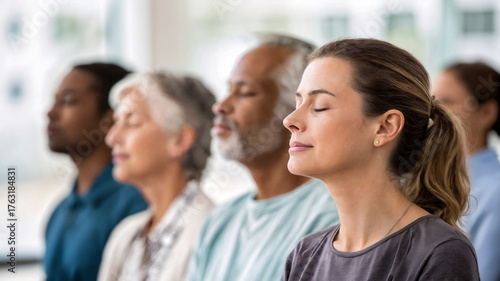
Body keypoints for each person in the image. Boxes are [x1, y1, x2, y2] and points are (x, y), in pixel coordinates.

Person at [281, 38, 480, 280]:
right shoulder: (305, 254)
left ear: (385, 127)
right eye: (298, 102)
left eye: (320, 106)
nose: (290, 120)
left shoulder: (439, 252)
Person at [185, 34, 339, 281]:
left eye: (245, 93)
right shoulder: (218, 222)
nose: (221, 106)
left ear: (296, 110)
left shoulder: (332, 220)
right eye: (229, 89)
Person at [98, 72, 215, 281]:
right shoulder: (124, 235)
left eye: (131, 122)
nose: (112, 138)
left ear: (179, 140)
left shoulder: (211, 232)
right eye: (116, 122)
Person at [45, 63, 148, 281]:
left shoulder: (137, 205)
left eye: (68, 101)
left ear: (110, 119)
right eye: (54, 100)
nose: (51, 112)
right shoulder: (60, 212)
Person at [432, 62, 500, 281]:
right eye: (431, 102)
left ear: (487, 112)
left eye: (446, 102)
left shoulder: (495, 193)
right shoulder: (428, 181)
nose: (432, 113)